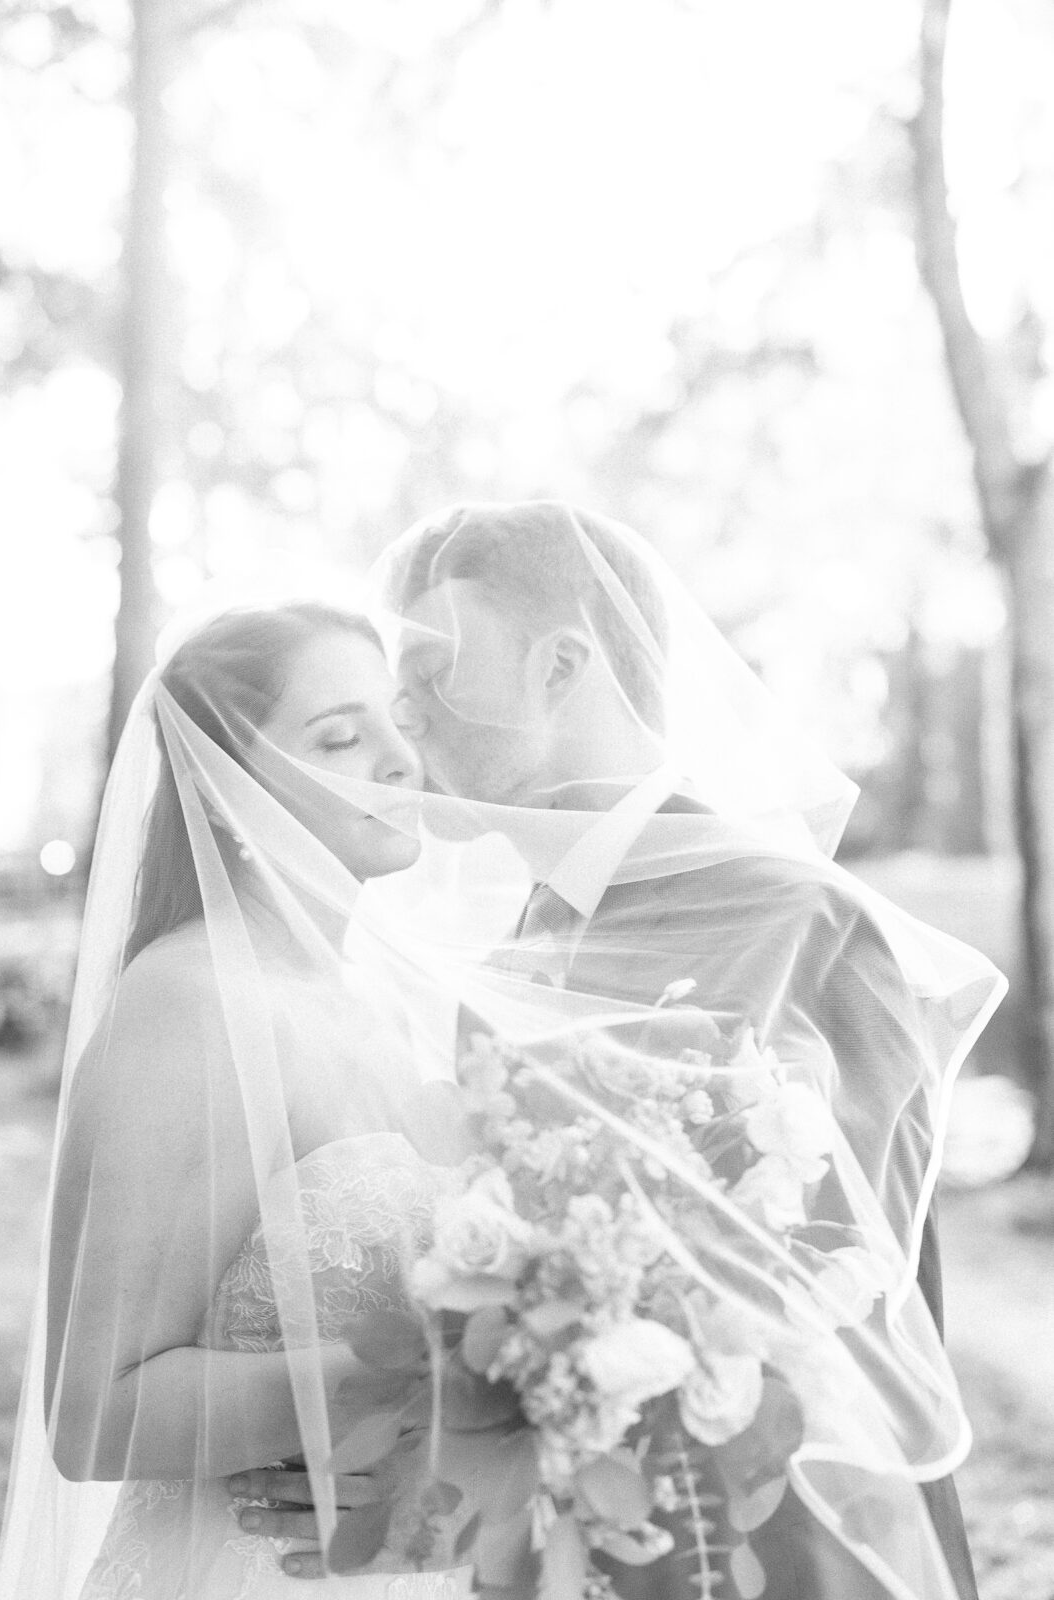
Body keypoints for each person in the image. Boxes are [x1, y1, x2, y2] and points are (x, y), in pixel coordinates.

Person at [245, 502, 1003, 1600]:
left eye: (431, 669)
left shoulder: (801, 923)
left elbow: (819, 1328)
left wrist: (446, 1485)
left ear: (561, 668)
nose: (399, 719)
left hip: (773, 1558)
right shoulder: (517, 948)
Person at [0, 601, 497, 1600]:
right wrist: (443, 1374)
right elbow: (100, 1411)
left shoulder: (374, 1006)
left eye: (396, 720)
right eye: (341, 737)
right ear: (223, 787)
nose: (400, 759)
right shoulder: (191, 1002)